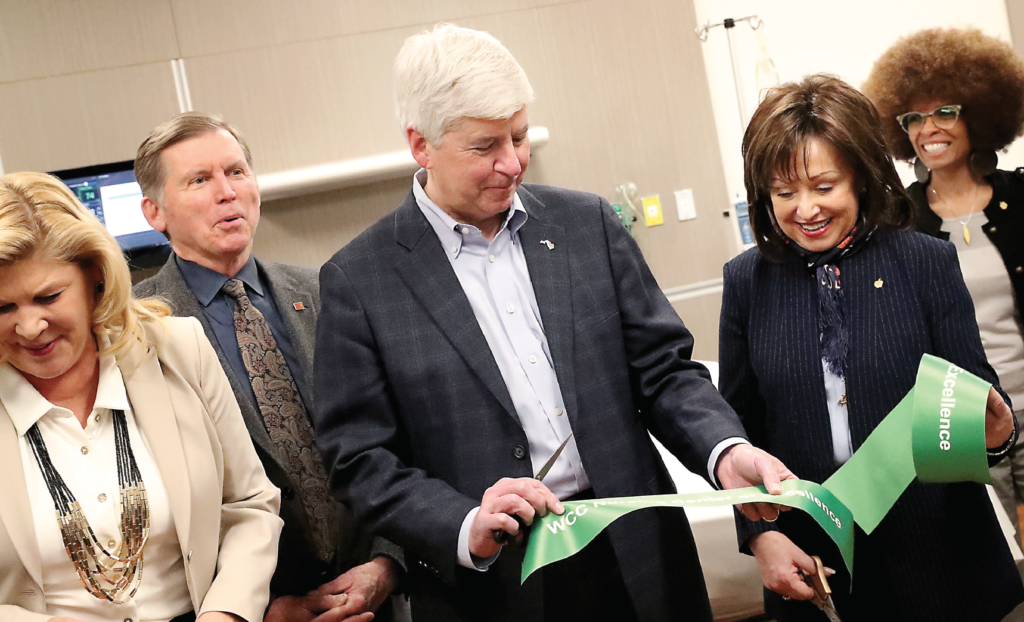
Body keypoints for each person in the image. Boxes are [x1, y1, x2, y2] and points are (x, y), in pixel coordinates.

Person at [313, 23, 794, 622]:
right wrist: (464, 524)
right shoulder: (360, 281)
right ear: (421, 144)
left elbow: (664, 373)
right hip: (496, 584)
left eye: (519, 136)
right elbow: (360, 460)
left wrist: (724, 451)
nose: (512, 162)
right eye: (485, 146)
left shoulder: (583, 225)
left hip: (638, 553)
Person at [720, 73, 1024, 621]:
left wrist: (996, 435)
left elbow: (977, 402)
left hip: (940, 553)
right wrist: (760, 537)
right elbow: (736, 429)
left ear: (860, 176)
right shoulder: (747, 281)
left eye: (824, 186)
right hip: (815, 557)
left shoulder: (924, 262)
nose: (805, 209)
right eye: (785, 193)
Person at [131, 112, 403, 622]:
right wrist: (254, 607)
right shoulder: (136, 330)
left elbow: (393, 433)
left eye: (236, 172)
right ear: (154, 212)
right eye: (199, 180)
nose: (226, 191)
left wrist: (389, 562)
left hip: (375, 598)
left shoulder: (327, 290)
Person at [0, 172, 283, 622]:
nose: (31, 327)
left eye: (48, 297)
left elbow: (250, 505)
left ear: (95, 275)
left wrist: (226, 612)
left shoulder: (177, 348)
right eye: (4, 308)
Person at [863, 26, 1024, 545]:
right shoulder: (897, 222)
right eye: (914, 117)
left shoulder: (1020, 199)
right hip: (964, 424)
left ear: (976, 113)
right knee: (1001, 559)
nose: (929, 128)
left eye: (945, 112)